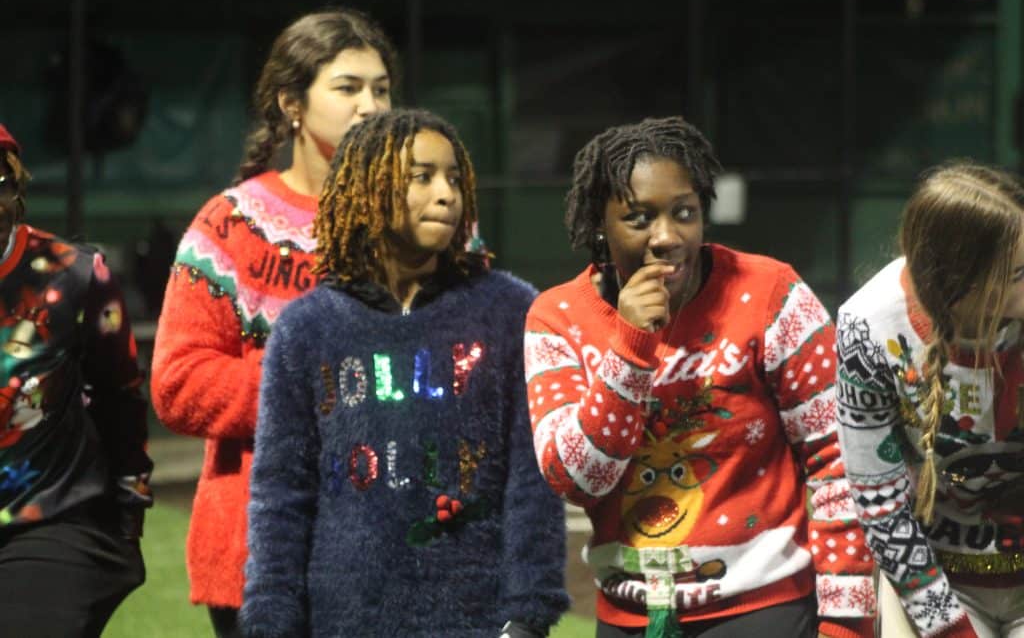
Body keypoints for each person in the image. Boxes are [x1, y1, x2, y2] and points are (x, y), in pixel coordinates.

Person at [526, 116, 875, 637]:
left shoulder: (773, 293)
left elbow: (837, 460)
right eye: (639, 217)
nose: (667, 237)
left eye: (684, 213)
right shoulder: (556, 319)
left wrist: (848, 622)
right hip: (628, 615)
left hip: (763, 609)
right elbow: (578, 482)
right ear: (600, 223)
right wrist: (630, 347)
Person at [240, 109, 569, 637]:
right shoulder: (306, 328)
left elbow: (532, 480)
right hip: (342, 618)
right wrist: (272, 619)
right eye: (423, 177)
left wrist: (529, 613)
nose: (447, 194)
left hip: (478, 619)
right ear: (369, 188)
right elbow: (281, 492)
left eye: (454, 178)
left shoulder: (510, 311)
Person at [149, 7, 398, 637]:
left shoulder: (427, 218)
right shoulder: (230, 226)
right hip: (265, 557)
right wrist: (319, 387)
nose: (370, 105)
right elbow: (179, 381)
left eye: (381, 89)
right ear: (292, 103)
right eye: (347, 88)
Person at [836, 162, 1024, 638]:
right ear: (963, 281)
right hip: (938, 580)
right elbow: (881, 506)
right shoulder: (868, 327)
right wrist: (949, 630)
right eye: (1018, 273)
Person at [0, 124, 152, 636]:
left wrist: (131, 495)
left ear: (15, 190)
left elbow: (120, 396)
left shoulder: (75, 277)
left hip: (48, 517)